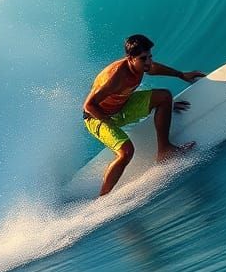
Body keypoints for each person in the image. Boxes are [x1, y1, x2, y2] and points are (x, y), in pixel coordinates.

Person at [83, 34, 205, 196]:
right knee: (126, 152)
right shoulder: (115, 77)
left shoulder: (142, 66)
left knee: (164, 97)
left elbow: (154, 68)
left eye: (149, 57)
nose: (148, 62)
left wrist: (181, 75)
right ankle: (103, 198)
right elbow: (89, 105)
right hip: (96, 116)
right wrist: (109, 123)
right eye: (143, 59)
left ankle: (165, 151)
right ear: (130, 59)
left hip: (121, 106)